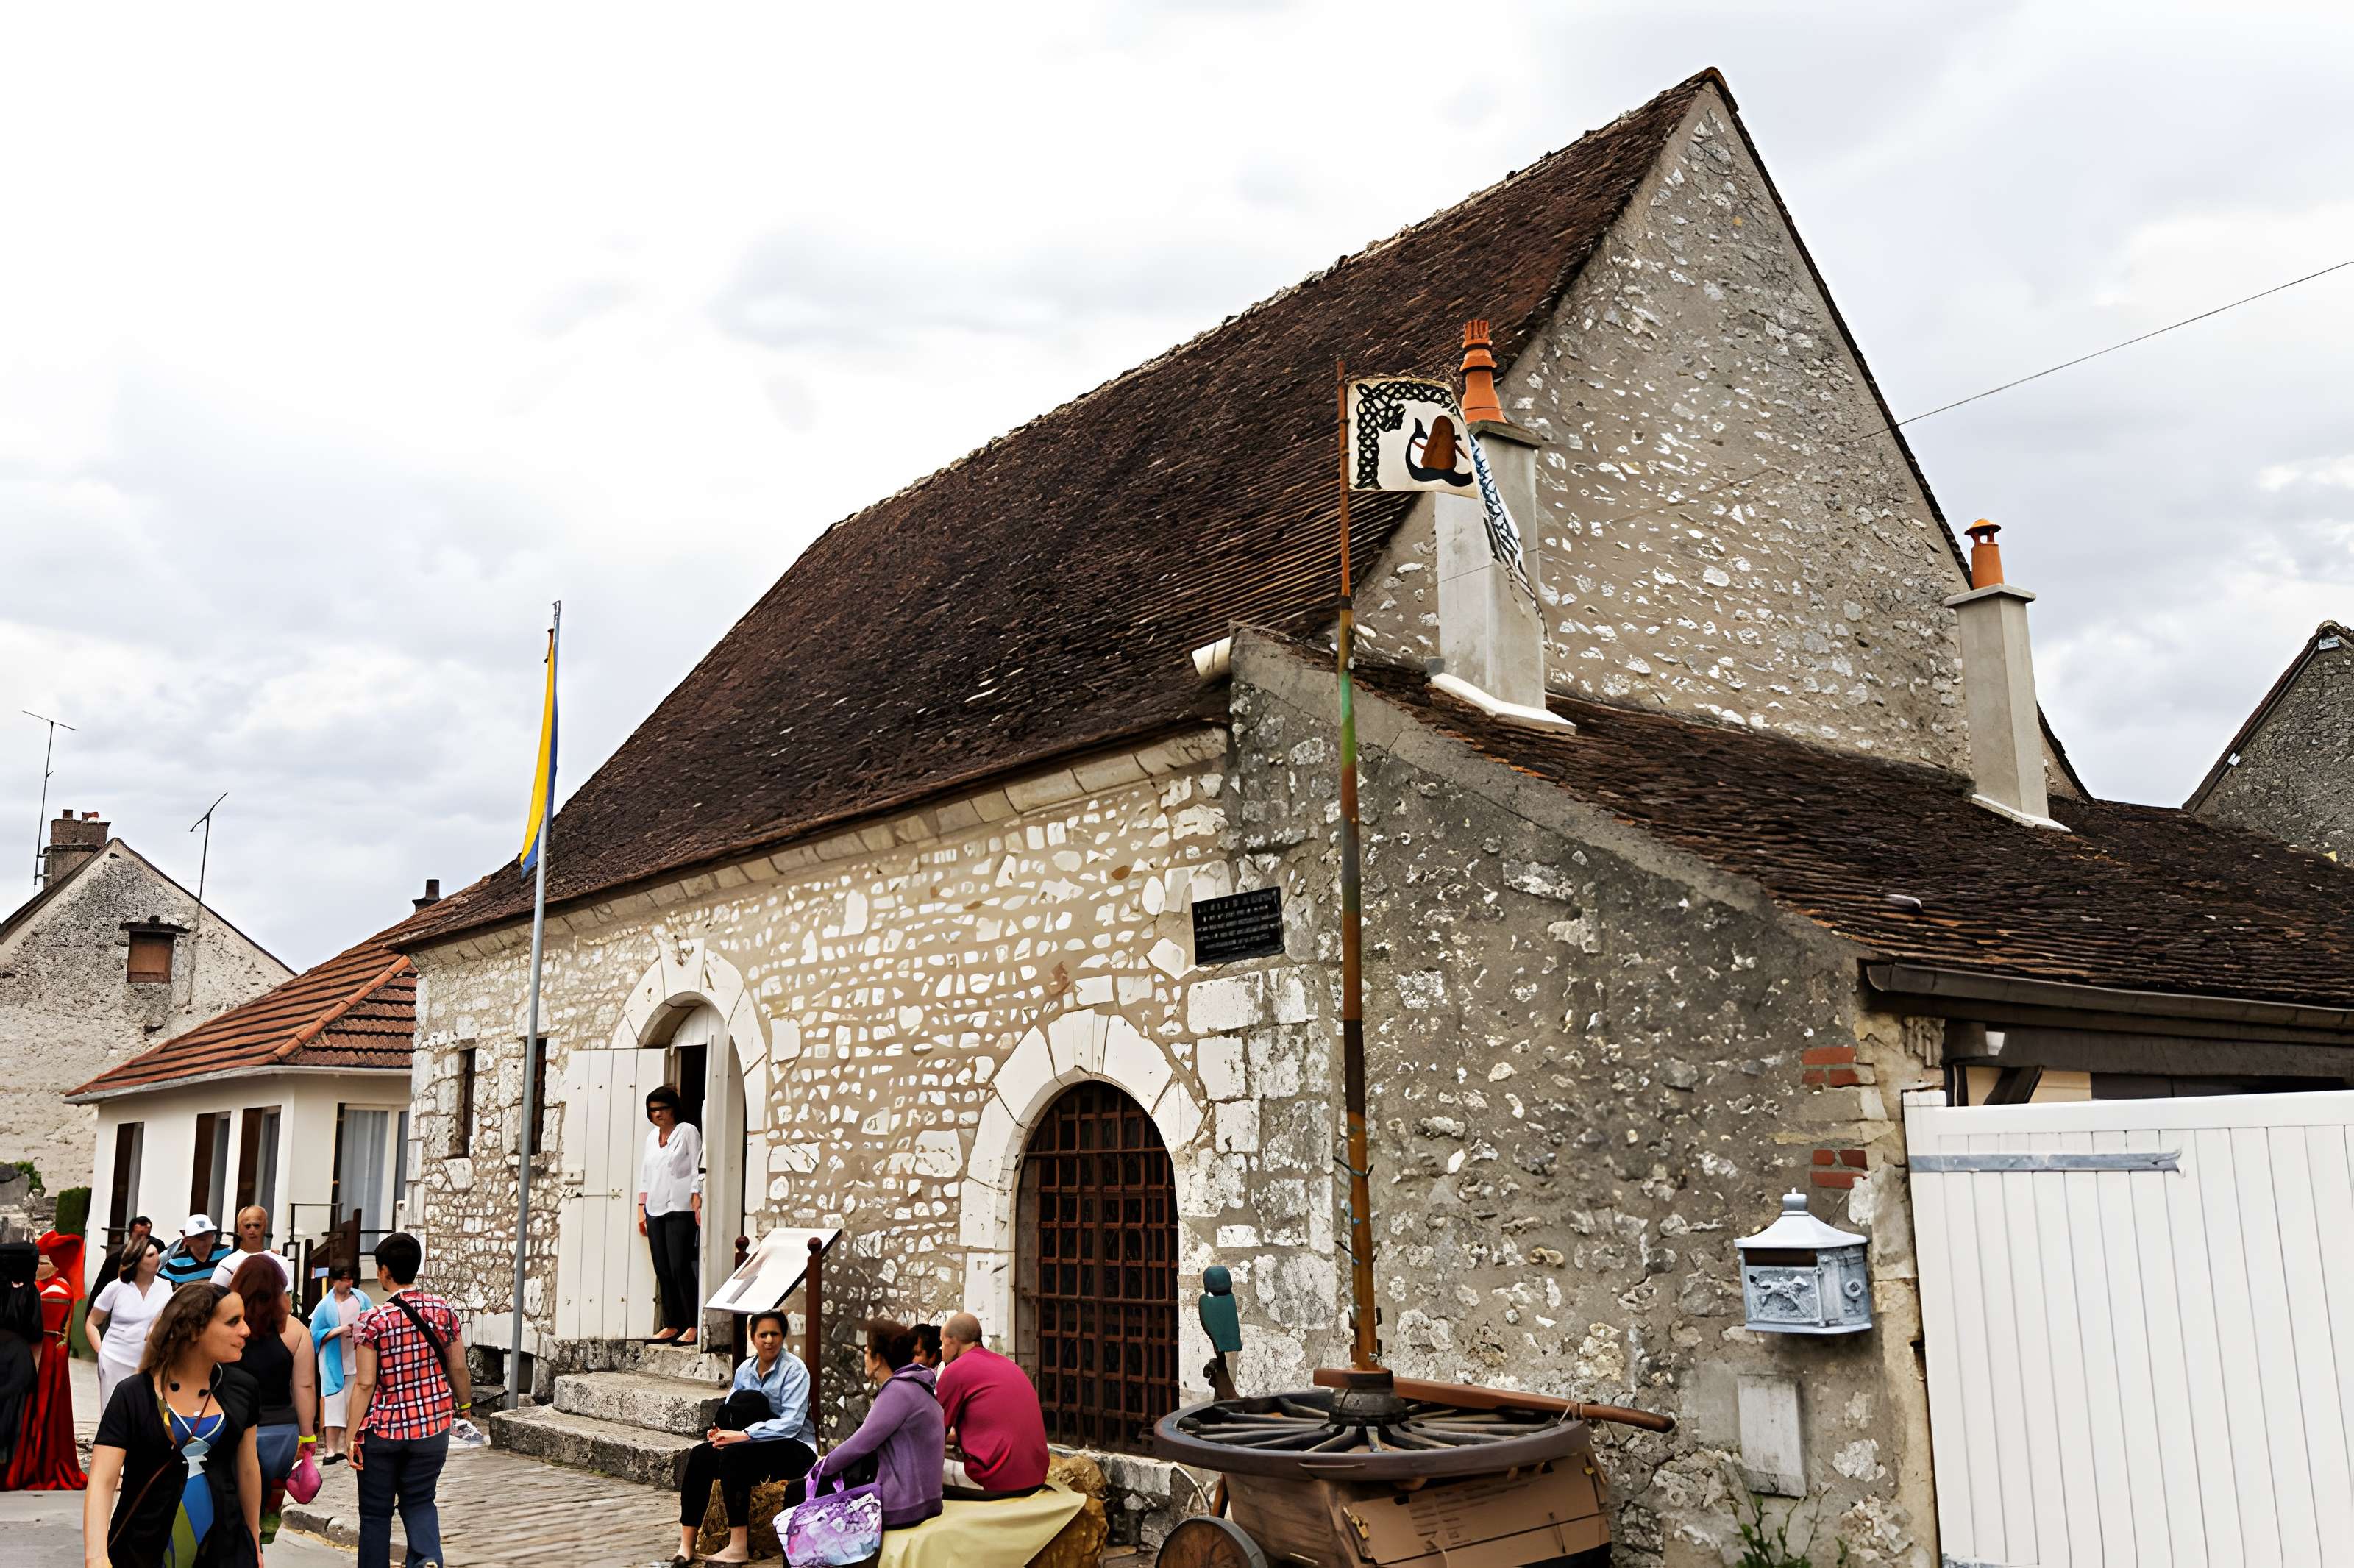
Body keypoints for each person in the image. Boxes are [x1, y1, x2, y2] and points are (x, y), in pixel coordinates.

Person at [82, 1282, 264, 1568]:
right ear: (194, 1329)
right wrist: (96, 1556)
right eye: (233, 1322)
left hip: (225, 1548)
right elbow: (103, 1480)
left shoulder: (243, 1388)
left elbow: (248, 1469)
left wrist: (253, 1539)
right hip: (142, 1548)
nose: (246, 1331)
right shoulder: (133, 1395)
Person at [348, 1230, 470, 1568]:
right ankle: (427, 1558)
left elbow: (365, 1384)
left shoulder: (373, 1320)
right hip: (432, 1426)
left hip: (384, 1431)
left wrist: (349, 1435)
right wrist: (466, 1408)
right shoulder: (443, 1310)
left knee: (375, 1513)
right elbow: (458, 1366)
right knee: (420, 1500)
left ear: (384, 1271)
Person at [669, 1308, 816, 1567]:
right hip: (752, 1445)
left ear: (783, 1337)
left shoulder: (795, 1371)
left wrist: (744, 1435)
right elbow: (731, 1408)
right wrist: (720, 1431)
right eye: (763, 1334)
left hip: (794, 1446)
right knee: (702, 1454)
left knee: (736, 1455)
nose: (769, 1340)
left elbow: (791, 1425)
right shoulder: (745, 1370)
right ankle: (687, 1545)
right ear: (753, 1337)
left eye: (775, 1334)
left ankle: (738, 1547)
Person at [801, 1319, 943, 1533]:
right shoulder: (917, 1387)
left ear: (878, 1359)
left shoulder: (898, 1391)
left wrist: (818, 1470)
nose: (864, 1357)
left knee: (797, 1496)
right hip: (925, 1501)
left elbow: (861, 1443)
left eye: (867, 1351)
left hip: (904, 1507)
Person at [229, 1254, 315, 1542]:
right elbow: (304, 1387)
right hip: (280, 1435)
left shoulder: (226, 1327)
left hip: (233, 1429)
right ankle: (259, 1545)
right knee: (265, 1507)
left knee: (233, 1507)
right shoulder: (295, 1330)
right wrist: (307, 1436)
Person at [3, 1232, 86, 1490]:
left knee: (41, 1410)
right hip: (42, 1352)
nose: (38, 1267)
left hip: (48, 1355)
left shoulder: (55, 1290)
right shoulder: (39, 1288)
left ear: (56, 1266)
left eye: (43, 1263)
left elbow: (41, 1331)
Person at [934, 1312, 1048, 1498]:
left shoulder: (955, 1370)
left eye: (942, 1342)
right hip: (1035, 1476)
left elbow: (932, 1431)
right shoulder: (1008, 1364)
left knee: (922, 1473)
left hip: (998, 1480)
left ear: (953, 1341)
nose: (941, 1349)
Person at [636, 1085, 703, 1346]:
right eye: (653, 1110)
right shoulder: (652, 1138)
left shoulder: (687, 1132)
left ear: (673, 1108)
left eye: (662, 1109)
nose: (658, 1115)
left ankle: (693, 1324)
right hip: (655, 1208)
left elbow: (698, 1164)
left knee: (680, 1267)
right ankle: (672, 1323)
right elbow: (646, 1173)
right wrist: (642, 1208)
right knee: (662, 1269)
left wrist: (697, 1194)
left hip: (680, 1207)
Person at [88, 1237, 171, 1414]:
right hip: (115, 1360)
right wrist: (100, 1350)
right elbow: (92, 1322)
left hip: (150, 1363)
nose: (157, 1258)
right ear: (137, 1260)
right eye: (151, 1255)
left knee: (143, 1413)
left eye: (158, 1254)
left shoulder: (166, 1287)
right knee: (113, 1413)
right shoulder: (116, 1287)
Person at [309, 1261, 371, 1463]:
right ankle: (330, 1449)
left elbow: (372, 1321)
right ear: (335, 1280)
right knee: (333, 1403)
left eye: (350, 1279)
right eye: (344, 1279)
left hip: (355, 1358)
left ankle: (348, 1445)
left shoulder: (361, 1299)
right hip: (333, 1360)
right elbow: (314, 1334)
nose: (348, 1283)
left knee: (351, 1403)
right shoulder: (325, 1306)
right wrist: (337, 1330)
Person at [0, 1243, 38, 1479]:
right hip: (17, 1354)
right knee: (13, 1412)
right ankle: (7, 1465)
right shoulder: (29, 1292)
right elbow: (35, 1330)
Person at [209, 1208, 293, 1294]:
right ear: (239, 1229)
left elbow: (286, 1297)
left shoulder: (280, 1261)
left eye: (257, 1225)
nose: (252, 1230)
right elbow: (215, 1298)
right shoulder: (227, 1265)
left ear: (265, 1226)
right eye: (247, 1226)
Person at [159, 1218, 227, 1290]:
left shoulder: (226, 1254)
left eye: (208, 1234)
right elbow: (158, 1285)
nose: (205, 1240)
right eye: (199, 1237)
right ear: (187, 1240)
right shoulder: (177, 1263)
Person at [97, 1218, 154, 1294]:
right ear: (131, 1234)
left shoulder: (150, 1261)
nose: (143, 1239)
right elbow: (99, 1290)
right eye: (139, 1235)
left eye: (147, 1236)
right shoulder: (114, 1260)